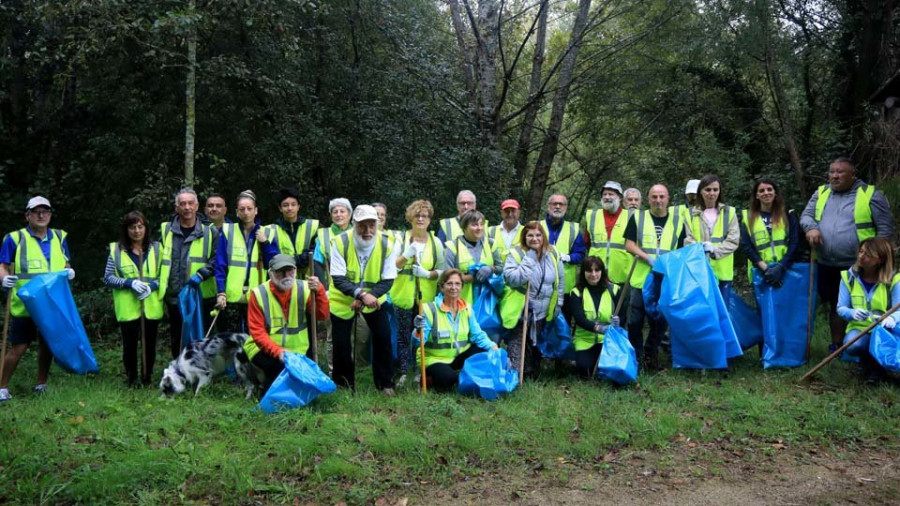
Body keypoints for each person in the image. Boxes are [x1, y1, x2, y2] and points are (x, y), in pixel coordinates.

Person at [801, 156, 894, 352]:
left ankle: (869, 346)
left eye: (839, 172)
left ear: (852, 174)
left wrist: (878, 257)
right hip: (827, 261)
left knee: (863, 304)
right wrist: (811, 228)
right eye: (831, 172)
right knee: (837, 303)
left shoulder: (870, 195)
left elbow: (885, 229)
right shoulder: (822, 192)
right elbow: (806, 215)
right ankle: (838, 346)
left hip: (861, 264)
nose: (834, 176)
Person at [0, 196, 73, 401]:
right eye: (36, 211)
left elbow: (65, 263)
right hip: (26, 303)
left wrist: (69, 271)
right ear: (28, 215)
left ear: (50, 214)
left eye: (45, 211)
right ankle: (2, 386)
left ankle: (41, 383)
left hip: (51, 302)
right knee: (19, 347)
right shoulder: (14, 238)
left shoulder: (59, 237)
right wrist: (4, 279)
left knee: (47, 344)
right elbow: (2, 265)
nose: (41, 215)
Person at [329, 205, 399, 394]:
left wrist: (367, 297)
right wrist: (360, 294)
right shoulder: (340, 242)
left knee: (383, 338)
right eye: (362, 226)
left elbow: (388, 279)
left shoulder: (388, 244)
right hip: (342, 301)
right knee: (341, 344)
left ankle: (385, 384)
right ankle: (343, 385)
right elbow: (338, 279)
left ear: (377, 224)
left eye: (371, 225)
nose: (367, 231)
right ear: (354, 224)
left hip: (375, 300)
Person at [245, 254, 329, 394]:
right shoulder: (258, 294)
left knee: (304, 379)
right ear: (270, 274)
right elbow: (258, 333)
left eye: (290, 270)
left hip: (298, 350)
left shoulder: (306, 289)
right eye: (280, 271)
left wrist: (319, 291)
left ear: (296, 271)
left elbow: (322, 315)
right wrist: (279, 352)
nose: (286, 275)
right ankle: (268, 393)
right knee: (277, 370)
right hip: (263, 349)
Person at [624, 184, 685, 369]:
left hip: (665, 279)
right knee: (635, 321)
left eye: (662, 197)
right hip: (641, 277)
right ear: (648, 199)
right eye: (654, 197)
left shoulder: (678, 221)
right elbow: (629, 245)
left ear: (668, 199)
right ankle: (637, 356)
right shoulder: (638, 217)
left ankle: (651, 354)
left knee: (659, 321)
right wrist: (647, 258)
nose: (658, 200)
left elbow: (681, 250)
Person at [412, 269, 497, 392]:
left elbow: (477, 335)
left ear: (462, 287)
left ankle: (459, 376)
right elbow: (416, 343)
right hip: (434, 359)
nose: (453, 287)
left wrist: (493, 348)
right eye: (449, 283)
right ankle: (429, 378)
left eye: (457, 284)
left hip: (457, 356)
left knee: (486, 355)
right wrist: (417, 331)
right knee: (448, 379)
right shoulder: (429, 309)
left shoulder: (466, 308)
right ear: (442, 287)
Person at [103, 211, 162, 386]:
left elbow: (165, 276)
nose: (137, 231)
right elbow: (108, 277)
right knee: (129, 345)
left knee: (149, 344)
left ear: (146, 228)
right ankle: (131, 378)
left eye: (140, 226)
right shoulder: (117, 250)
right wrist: (129, 283)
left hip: (151, 305)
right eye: (132, 227)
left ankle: (147, 376)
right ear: (126, 229)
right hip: (128, 307)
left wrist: (152, 286)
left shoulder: (157, 249)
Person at [159, 187, 219, 358]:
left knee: (202, 337)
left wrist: (202, 274)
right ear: (176, 207)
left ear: (197, 206)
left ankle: (201, 371)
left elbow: (218, 260)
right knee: (177, 336)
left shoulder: (210, 232)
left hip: (201, 296)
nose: (187, 207)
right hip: (175, 294)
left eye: (190, 203)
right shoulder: (166, 230)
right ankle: (178, 370)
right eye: (182, 203)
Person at [501, 222, 564, 377]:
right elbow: (513, 279)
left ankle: (530, 371)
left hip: (544, 309)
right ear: (524, 237)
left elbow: (560, 279)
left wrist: (559, 302)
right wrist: (529, 259)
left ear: (543, 236)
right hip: (522, 308)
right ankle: (514, 374)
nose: (535, 238)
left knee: (534, 344)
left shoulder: (553, 253)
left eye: (538, 235)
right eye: (530, 235)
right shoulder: (516, 254)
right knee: (518, 342)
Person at [391, 200, 444, 384]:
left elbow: (442, 271)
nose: (421, 219)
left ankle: (419, 371)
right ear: (410, 218)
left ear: (430, 219)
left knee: (422, 334)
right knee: (403, 336)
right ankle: (404, 371)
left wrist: (427, 273)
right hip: (403, 296)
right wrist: (407, 254)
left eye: (425, 216)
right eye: (417, 216)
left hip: (426, 298)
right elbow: (391, 267)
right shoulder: (401, 239)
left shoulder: (436, 242)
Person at [214, 190, 279, 332]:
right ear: (237, 212)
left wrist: (265, 244)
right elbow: (220, 264)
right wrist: (221, 292)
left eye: (249, 208)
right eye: (242, 209)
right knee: (232, 341)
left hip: (258, 296)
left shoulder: (268, 233)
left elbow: (274, 264)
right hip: (231, 298)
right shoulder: (227, 232)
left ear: (256, 211)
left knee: (256, 339)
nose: (246, 212)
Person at [837, 238, 899, 383]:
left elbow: (898, 309)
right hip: (860, 329)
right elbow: (840, 308)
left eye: (868, 254)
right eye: (860, 252)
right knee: (853, 345)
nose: (861, 256)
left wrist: (892, 318)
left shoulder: (894, 280)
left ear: (881, 259)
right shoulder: (848, 277)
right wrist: (851, 313)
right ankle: (870, 367)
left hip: (886, 331)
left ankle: (880, 370)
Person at [684, 175, 739, 306]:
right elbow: (688, 240)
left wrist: (714, 250)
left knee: (722, 312)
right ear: (700, 192)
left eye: (715, 190)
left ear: (720, 191)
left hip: (723, 272)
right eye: (708, 190)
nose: (712, 193)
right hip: (699, 272)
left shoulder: (729, 212)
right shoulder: (690, 213)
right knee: (703, 313)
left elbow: (733, 240)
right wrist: (701, 248)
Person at [311, 197, 353, 371]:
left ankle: (356, 369)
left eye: (342, 211)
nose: (339, 214)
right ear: (330, 215)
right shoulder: (324, 234)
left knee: (359, 335)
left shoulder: (358, 232)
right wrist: (324, 289)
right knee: (333, 334)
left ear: (350, 214)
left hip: (355, 290)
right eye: (335, 211)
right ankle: (333, 369)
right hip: (333, 292)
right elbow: (317, 262)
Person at [567, 256, 621, 378]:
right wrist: (599, 328)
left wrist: (619, 321)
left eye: (597, 270)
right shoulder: (576, 292)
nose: (593, 274)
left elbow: (621, 315)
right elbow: (580, 319)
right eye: (589, 271)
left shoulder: (614, 290)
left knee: (608, 370)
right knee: (585, 370)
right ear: (583, 273)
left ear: (602, 271)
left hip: (607, 340)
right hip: (585, 340)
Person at [739, 178, 800, 286]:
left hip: (787, 269)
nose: (766, 193)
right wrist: (766, 270)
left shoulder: (787, 213)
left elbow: (794, 242)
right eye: (761, 191)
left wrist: (781, 267)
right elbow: (746, 246)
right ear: (756, 195)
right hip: (761, 272)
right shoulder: (748, 218)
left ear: (775, 192)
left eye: (769, 189)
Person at [444, 210, 503, 306]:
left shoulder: (490, 243)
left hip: (487, 304)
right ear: (464, 227)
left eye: (481, 224)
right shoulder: (453, 247)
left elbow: (500, 267)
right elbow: (447, 279)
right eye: (474, 225)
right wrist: (474, 278)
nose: (479, 228)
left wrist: (490, 269)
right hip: (460, 304)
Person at [583, 182, 631, 285]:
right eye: (604, 194)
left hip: (623, 277)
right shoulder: (592, 216)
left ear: (620, 198)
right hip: (595, 276)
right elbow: (587, 243)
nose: (607, 197)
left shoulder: (631, 217)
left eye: (611, 194)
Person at [541, 193, 586, 297]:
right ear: (548, 206)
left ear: (566, 207)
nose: (558, 207)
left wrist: (568, 258)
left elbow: (581, 254)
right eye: (554, 204)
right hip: (540, 285)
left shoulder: (573, 229)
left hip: (566, 287)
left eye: (561, 204)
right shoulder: (537, 226)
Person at [269, 187, 319, 276]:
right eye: (285, 205)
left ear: (298, 206)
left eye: (293, 204)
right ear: (280, 208)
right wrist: (301, 258)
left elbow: (314, 254)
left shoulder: (312, 226)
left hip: (308, 283)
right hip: (283, 281)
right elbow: (273, 258)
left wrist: (289, 262)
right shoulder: (271, 230)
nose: (290, 208)